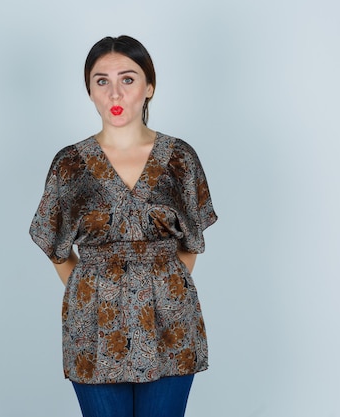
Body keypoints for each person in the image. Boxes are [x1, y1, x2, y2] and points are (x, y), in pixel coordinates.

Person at [29, 35, 218, 417]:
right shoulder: (70, 165)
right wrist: (98, 291)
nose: (115, 93)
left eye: (128, 79)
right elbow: (55, 247)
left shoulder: (180, 158)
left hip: (170, 321)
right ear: (89, 90)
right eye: (102, 81)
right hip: (93, 327)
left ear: (149, 86)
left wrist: (157, 286)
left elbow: (191, 242)